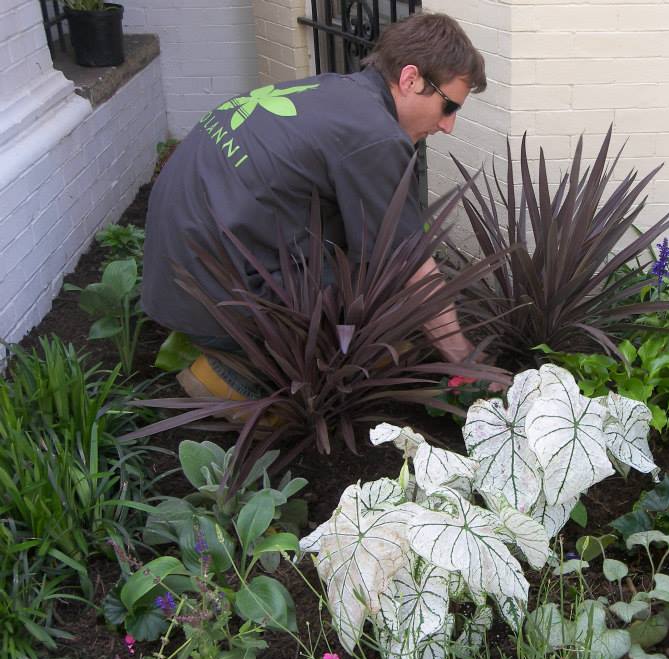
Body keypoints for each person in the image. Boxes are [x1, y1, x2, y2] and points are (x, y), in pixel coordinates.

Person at [141, 13, 486, 401]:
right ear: (410, 79)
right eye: (448, 107)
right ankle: (231, 375)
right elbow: (409, 263)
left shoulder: (333, 91)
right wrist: (465, 361)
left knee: (358, 242)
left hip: (173, 273)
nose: (448, 126)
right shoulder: (374, 135)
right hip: (214, 299)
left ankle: (298, 346)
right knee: (377, 278)